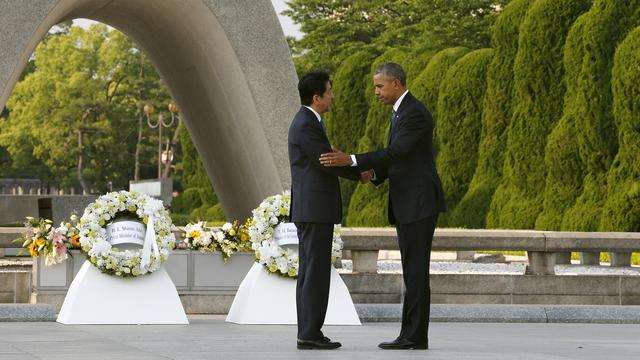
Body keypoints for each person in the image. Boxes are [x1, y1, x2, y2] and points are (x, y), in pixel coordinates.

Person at [319, 62, 446, 350]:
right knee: (412, 269)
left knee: (415, 271)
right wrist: (372, 174)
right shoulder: (401, 111)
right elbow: (399, 159)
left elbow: (396, 151)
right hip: (410, 202)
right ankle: (410, 335)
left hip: (419, 202)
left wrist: (351, 160)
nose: (376, 92)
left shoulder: (414, 113)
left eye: (380, 86)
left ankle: (414, 337)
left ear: (397, 84)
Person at [288, 71, 363, 350]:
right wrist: (359, 171)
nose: (332, 95)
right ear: (317, 97)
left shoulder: (309, 122)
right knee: (315, 271)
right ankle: (310, 332)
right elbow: (325, 161)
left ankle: (308, 330)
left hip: (312, 209)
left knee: (311, 270)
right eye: (329, 91)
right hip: (315, 209)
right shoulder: (306, 123)